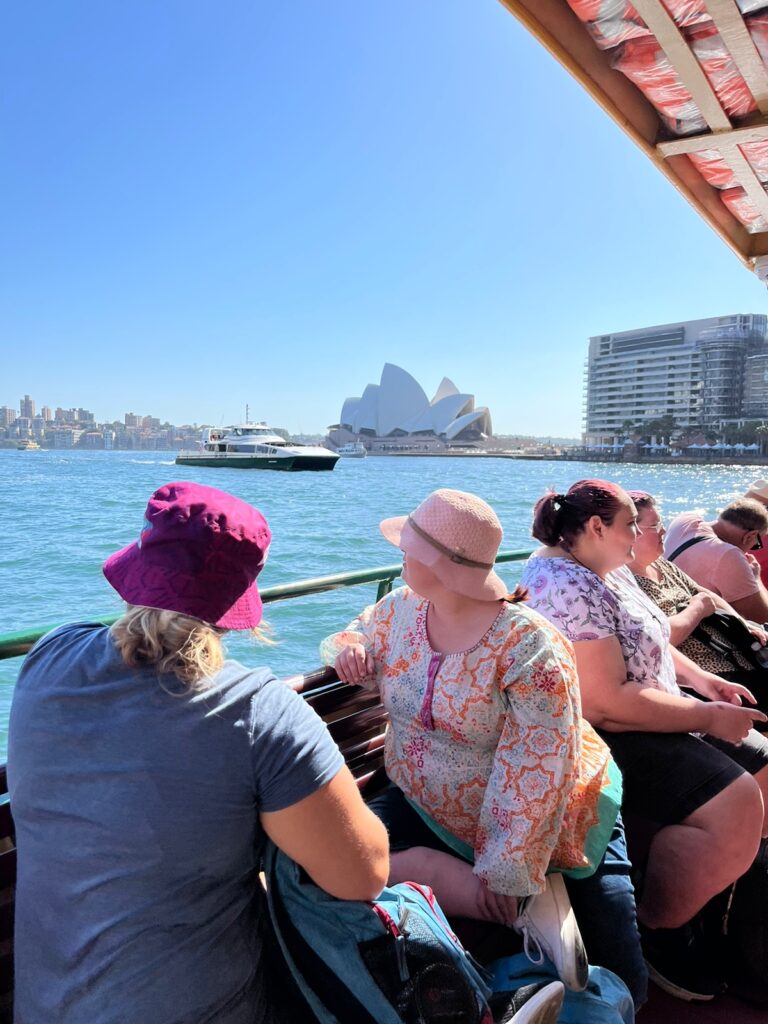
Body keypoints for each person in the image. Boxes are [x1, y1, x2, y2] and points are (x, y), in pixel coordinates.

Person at [7, 481, 390, 1024]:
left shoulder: (47, 657)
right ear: (235, 599)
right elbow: (364, 875)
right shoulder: (262, 712)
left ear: (138, 569)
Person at [324, 488, 648, 1009]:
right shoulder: (400, 610)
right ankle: (472, 906)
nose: (401, 556)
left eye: (410, 548)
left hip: (561, 812)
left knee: (622, 966)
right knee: (328, 862)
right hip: (421, 798)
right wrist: (350, 650)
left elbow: (540, 763)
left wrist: (507, 867)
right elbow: (356, 632)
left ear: (441, 564)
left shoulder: (528, 645)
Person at [521, 479, 768, 1002]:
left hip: (652, 711)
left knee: (766, 766)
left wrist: (704, 682)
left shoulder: (605, 568)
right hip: (610, 736)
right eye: (632, 524)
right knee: (738, 800)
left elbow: (649, 633)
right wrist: (706, 714)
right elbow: (607, 703)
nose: (639, 534)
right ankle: (660, 927)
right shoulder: (565, 585)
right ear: (595, 528)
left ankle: (722, 907)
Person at [628, 490, 767, 684]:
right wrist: (698, 608)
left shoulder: (662, 561)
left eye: (661, 523)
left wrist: (742, 624)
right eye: (654, 525)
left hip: (735, 658)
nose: (663, 531)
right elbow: (654, 640)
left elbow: (704, 594)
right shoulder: (624, 581)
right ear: (629, 531)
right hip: (713, 675)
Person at [663, 498, 768, 622]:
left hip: (665, 611)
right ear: (749, 536)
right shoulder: (729, 554)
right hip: (694, 631)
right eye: (756, 545)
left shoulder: (685, 521)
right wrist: (755, 578)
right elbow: (761, 617)